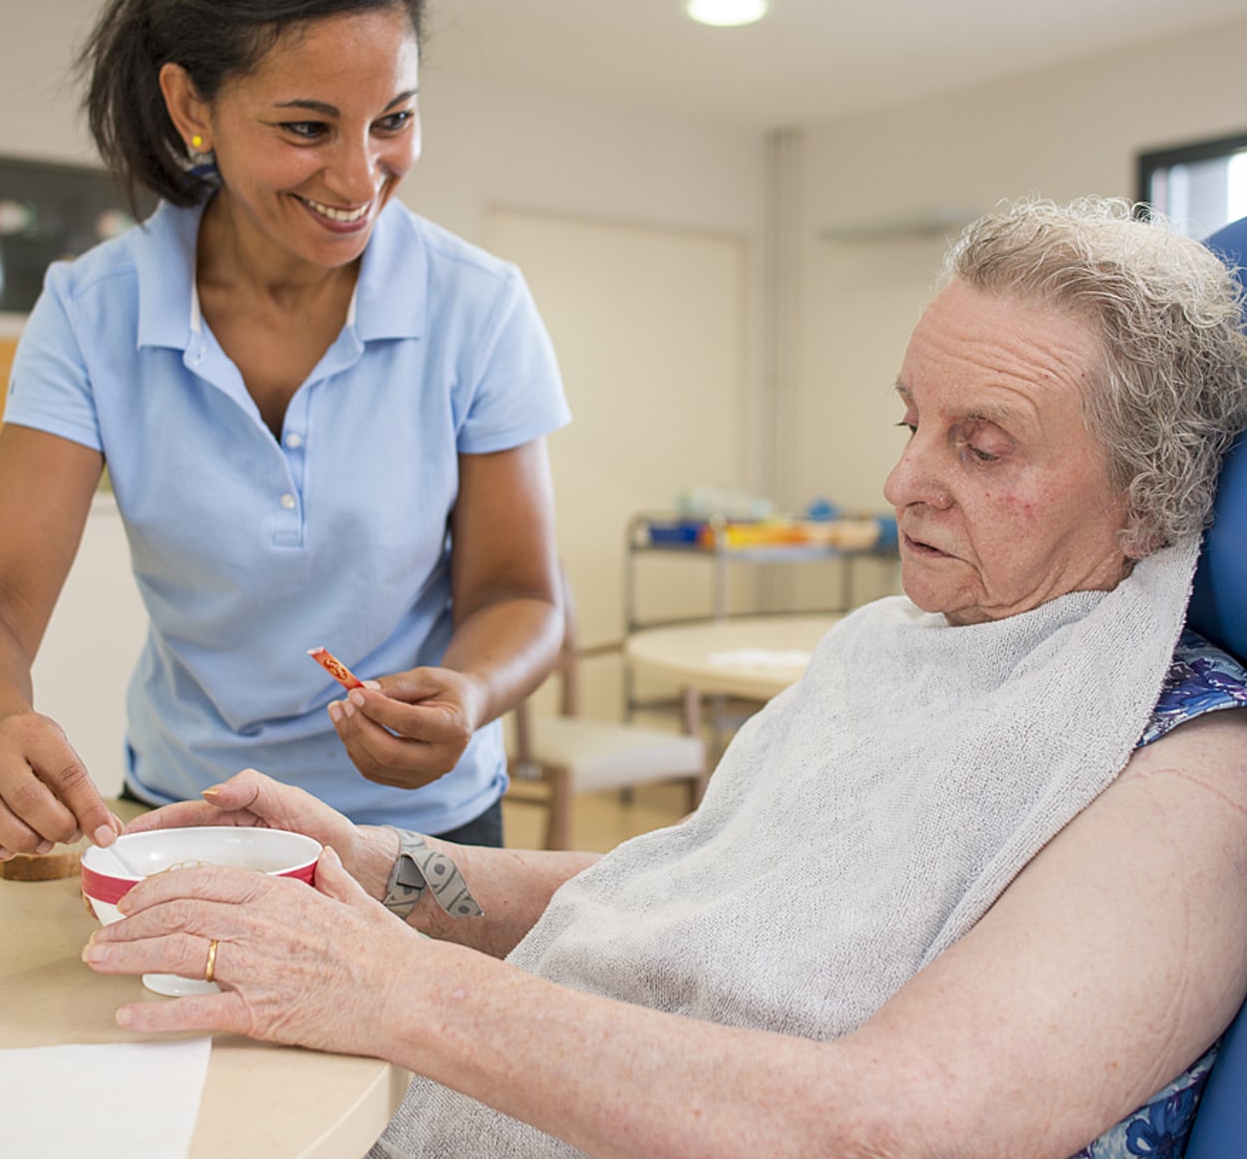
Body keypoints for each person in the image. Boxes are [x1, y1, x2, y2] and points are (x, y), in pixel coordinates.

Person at [82, 198, 1247, 1159]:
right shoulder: (891, 643)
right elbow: (697, 886)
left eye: (980, 446)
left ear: (1148, 498)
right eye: (910, 423)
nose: (901, 481)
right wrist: (382, 868)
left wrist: (402, 988)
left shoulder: (1189, 778)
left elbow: (898, 1123)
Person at [0, 0, 569, 860]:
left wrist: (469, 691)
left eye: (393, 118)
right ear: (190, 104)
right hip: (196, 811)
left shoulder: (479, 305)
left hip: (425, 830)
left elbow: (520, 595)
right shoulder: (93, 310)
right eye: (306, 127)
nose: (359, 177)